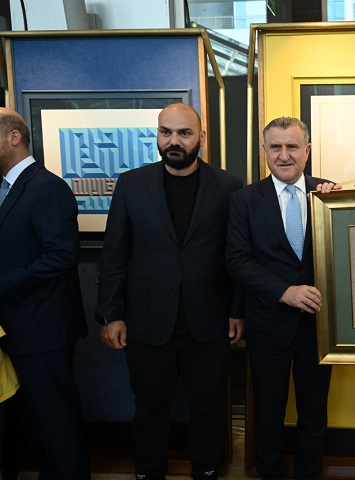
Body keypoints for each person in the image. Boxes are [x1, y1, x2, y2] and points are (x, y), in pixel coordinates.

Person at [95, 103, 244, 480]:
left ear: (201, 137)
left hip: (209, 321)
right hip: (146, 322)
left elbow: (237, 256)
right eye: (166, 132)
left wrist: (237, 309)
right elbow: (114, 254)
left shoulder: (228, 186)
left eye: (184, 133)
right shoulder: (131, 184)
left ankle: (206, 471)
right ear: (158, 135)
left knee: (209, 409)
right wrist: (111, 314)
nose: (174, 141)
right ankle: (148, 473)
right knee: (149, 410)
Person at [225, 117, 337, 480]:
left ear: (307, 150)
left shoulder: (328, 194)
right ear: (265, 151)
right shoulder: (244, 200)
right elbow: (236, 260)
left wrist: (343, 208)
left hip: (320, 328)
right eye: (275, 147)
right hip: (267, 325)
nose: (284, 155)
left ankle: (308, 473)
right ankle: (270, 473)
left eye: (292, 146)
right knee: (268, 414)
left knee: (314, 414)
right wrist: (284, 292)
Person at [0, 107, 90, 479]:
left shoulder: (47, 187)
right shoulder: (8, 188)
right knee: (33, 422)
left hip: (44, 329)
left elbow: (62, 255)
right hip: (16, 329)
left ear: (13, 137)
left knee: (56, 421)